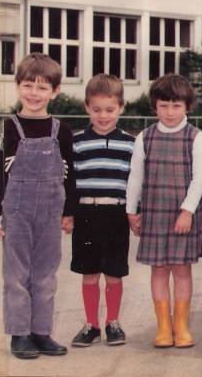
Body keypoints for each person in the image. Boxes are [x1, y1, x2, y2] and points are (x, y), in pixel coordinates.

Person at [0, 53, 77, 359]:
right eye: (27, 85)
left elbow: (70, 174)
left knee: (45, 275)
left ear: (55, 91)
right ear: (17, 85)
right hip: (17, 213)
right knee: (16, 275)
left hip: (51, 213)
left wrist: (69, 212)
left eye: (42, 87)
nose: (33, 93)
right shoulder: (0, 126)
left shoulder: (62, 130)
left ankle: (41, 332)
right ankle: (20, 334)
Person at [126, 74, 202, 348]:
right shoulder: (145, 137)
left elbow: (200, 178)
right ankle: (164, 327)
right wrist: (131, 210)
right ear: (155, 106)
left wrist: (187, 211)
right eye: (163, 105)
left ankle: (181, 325)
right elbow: (135, 177)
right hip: (154, 212)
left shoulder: (196, 137)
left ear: (187, 106)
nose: (169, 112)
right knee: (159, 270)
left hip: (183, 215)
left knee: (181, 269)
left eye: (176, 106)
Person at [69, 74, 136, 348]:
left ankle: (112, 322)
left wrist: (136, 212)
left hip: (116, 215)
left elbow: (135, 182)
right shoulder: (76, 142)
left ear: (121, 107)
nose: (103, 115)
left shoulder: (131, 143)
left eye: (110, 110)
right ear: (87, 107)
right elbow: (70, 182)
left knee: (114, 272)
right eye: (97, 109)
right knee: (89, 272)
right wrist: (68, 212)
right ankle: (91, 325)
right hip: (86, 214)